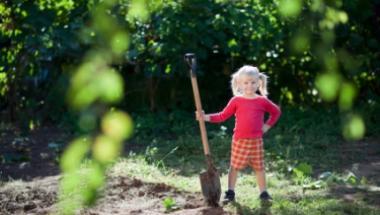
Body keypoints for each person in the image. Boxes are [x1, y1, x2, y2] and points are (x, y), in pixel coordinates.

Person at [196, 65, 281, 204]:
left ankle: (264, 192)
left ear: (259, 82)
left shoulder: (262, 101)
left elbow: (276, 111)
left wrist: (266, 126)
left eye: (253, 82)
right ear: (239, 84)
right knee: (234, 167)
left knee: (259, 167)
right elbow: (222, 116)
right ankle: (230, 192)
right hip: (240, 140)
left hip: (256, 141)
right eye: (246, 83)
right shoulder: (236, 100)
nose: (249, 85)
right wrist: (205, 117)